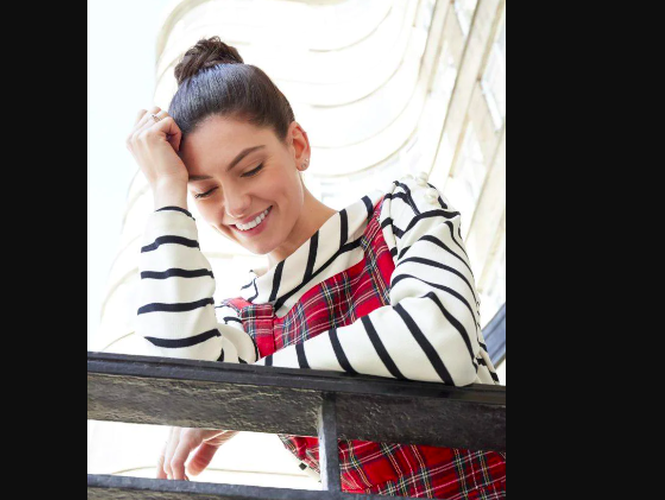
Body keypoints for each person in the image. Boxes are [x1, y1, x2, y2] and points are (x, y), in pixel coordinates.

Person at [126, 36, 505, 498]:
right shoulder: (245, 321)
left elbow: (439, 340)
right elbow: (189, 384)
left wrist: (256, 385)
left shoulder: (396, 212)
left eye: (250, 169)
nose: (237, 204)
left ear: (298, 145)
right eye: (205, 192)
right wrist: (167, 190)